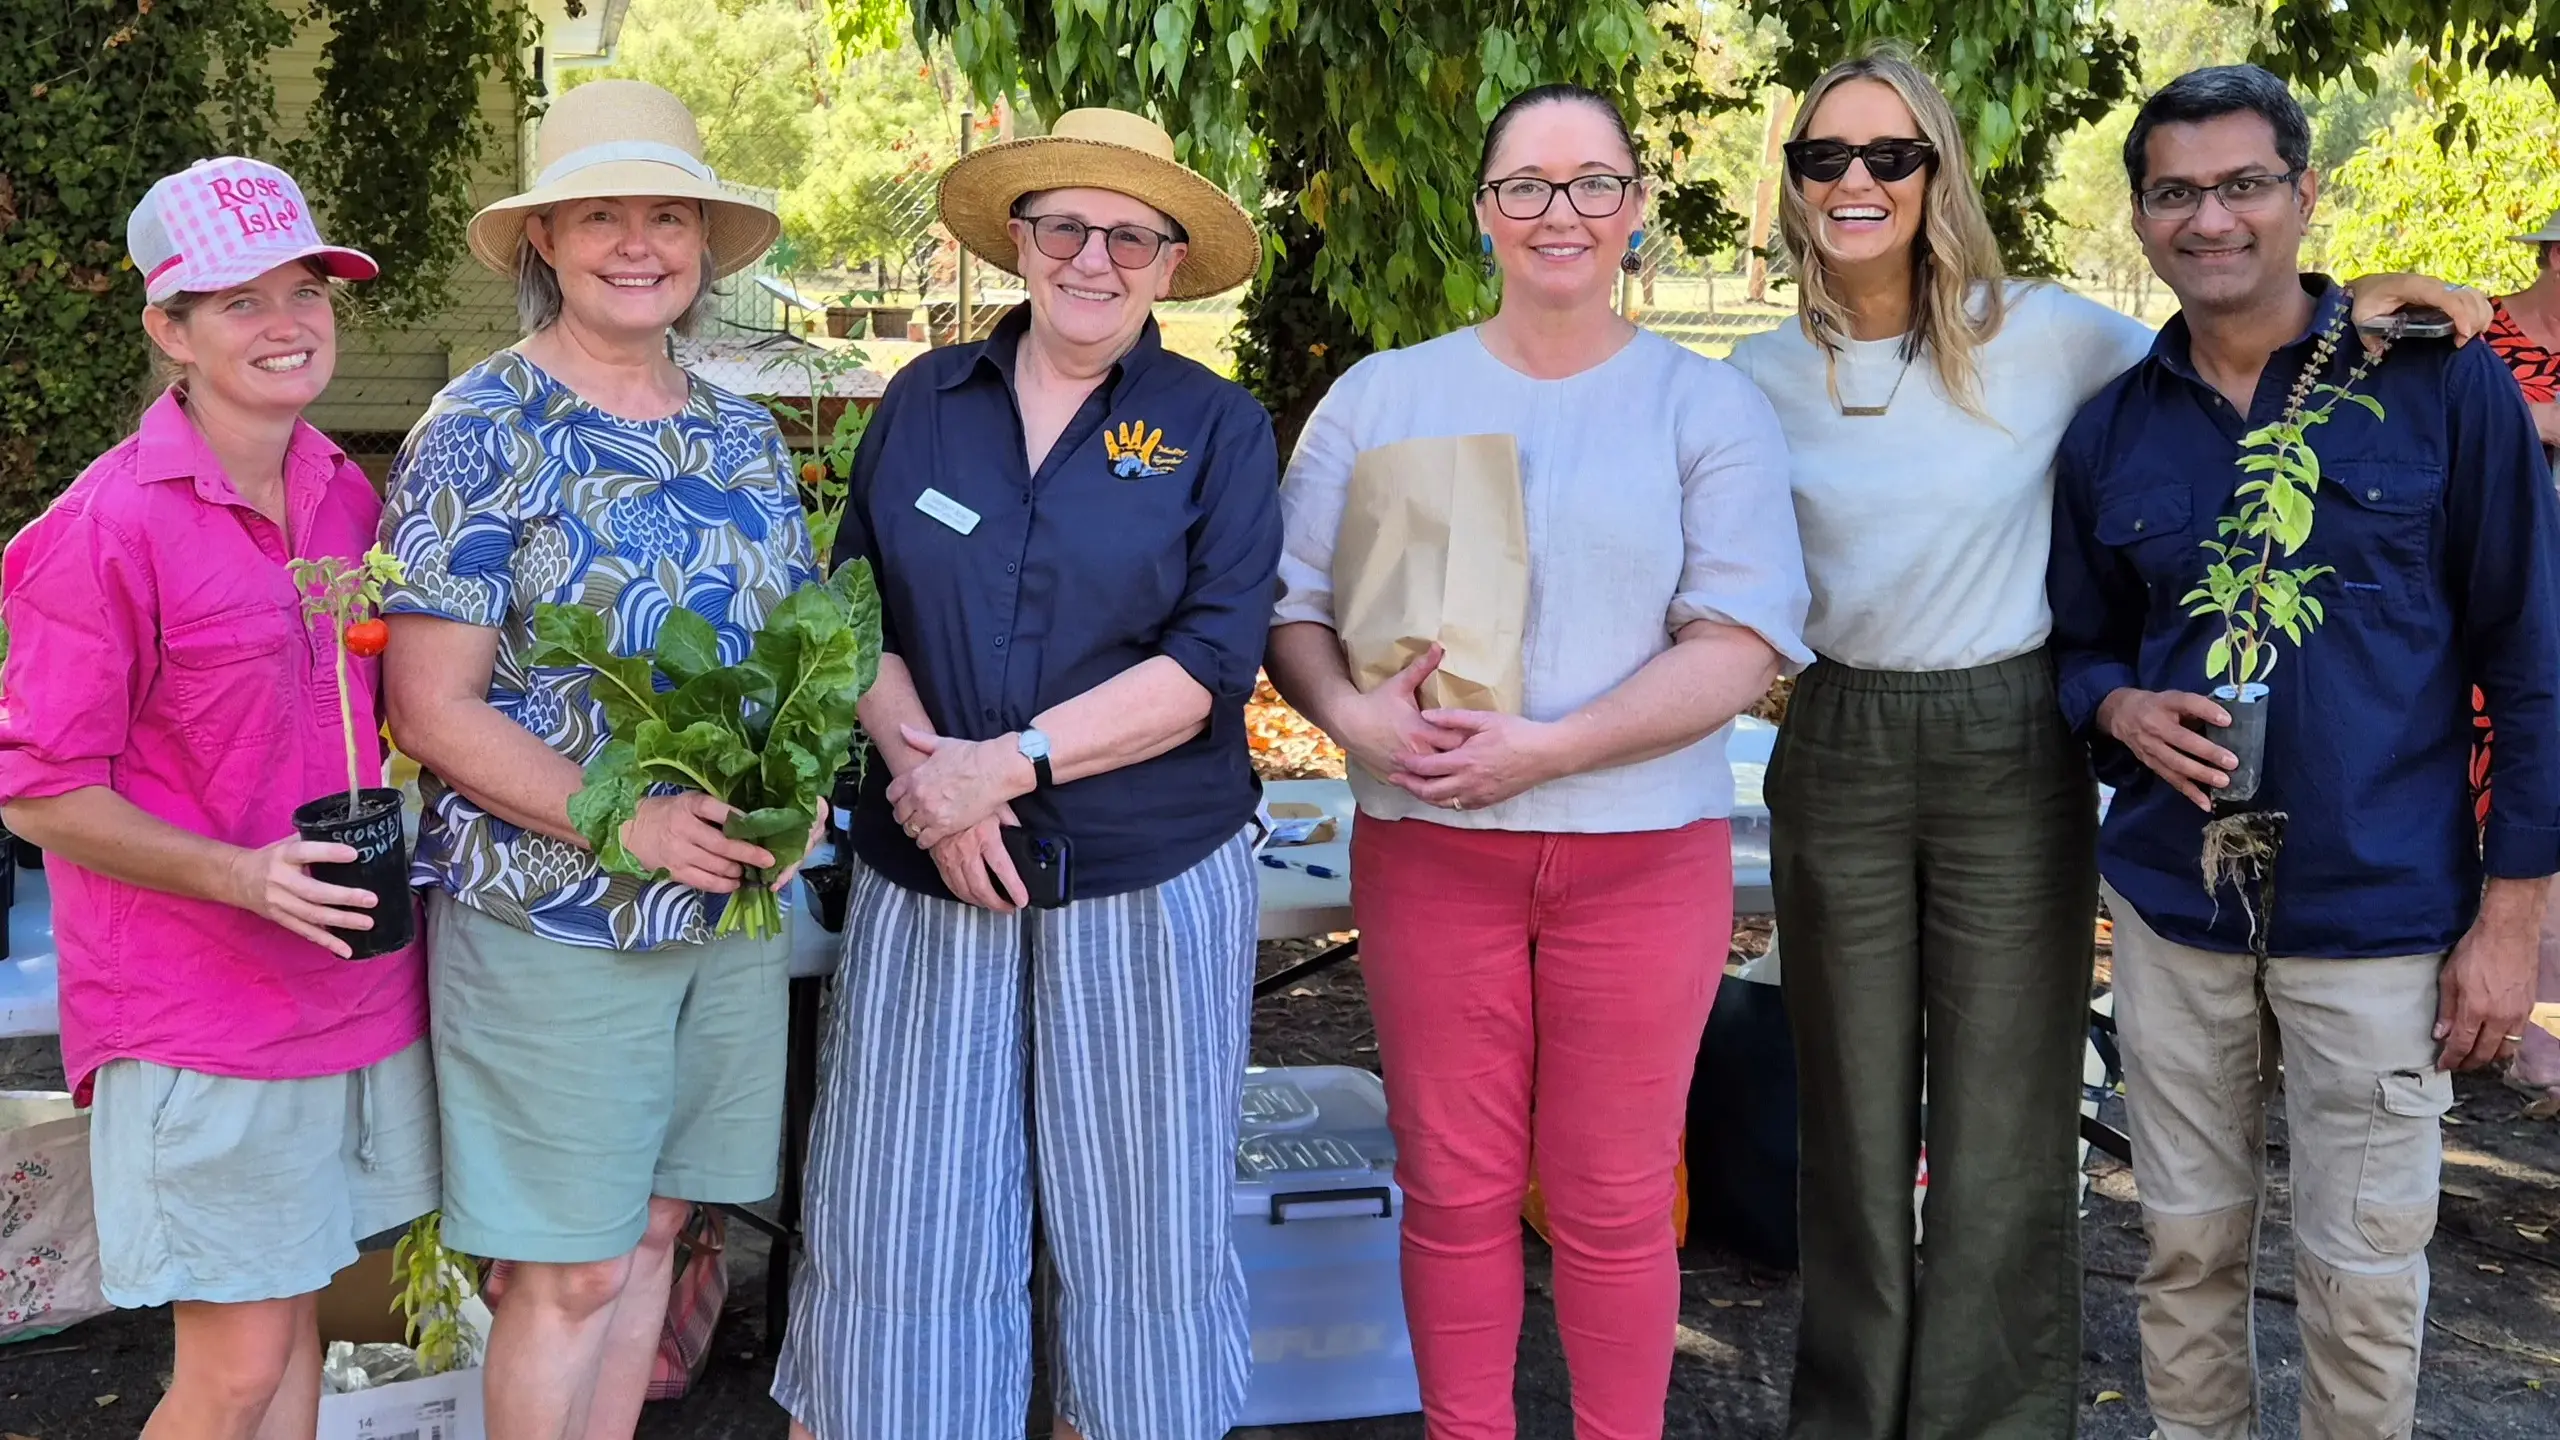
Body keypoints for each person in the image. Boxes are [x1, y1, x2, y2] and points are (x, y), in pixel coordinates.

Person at [1722, 47, 2485, 1440]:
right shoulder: (1753, 371)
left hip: (2012, 733)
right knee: (1844, 1113)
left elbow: (2238, 335)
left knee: (2011, 1126)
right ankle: (1849, 1414)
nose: (1855, 182)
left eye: (1890, 155)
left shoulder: (2055, 334)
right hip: (1840, 734)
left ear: (1939, 170)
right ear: (1792, 184)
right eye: (1823, 157)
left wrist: (2380, 297)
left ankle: (1992, 1421)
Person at [1266, 84, 1811, 1439]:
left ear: (1633, 208)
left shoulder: (1705, 404)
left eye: (1590, 183)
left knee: (1616, 1197)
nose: (1558, 212)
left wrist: (1554, 747)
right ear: (1482, 213)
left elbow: (1744, 642)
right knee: (1451, 1186)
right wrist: (1356, 715)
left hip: (1639, 856)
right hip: (1432, 849)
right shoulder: (1385, 394)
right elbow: (1292, 611)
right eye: (1526, 184)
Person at [2048, 65, 2560, 1440]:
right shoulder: (2111, 427)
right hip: (2176, 908)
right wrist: (2114, 709)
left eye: (2242, 185)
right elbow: (2077, 647)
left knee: (2363, 1274)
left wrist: (2513, 922)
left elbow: (2532, 662)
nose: (2210, 219)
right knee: (2188, 1250)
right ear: (2145, 216)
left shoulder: (2441, 394)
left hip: (2381, 912)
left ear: (2302, 193)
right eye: (2176, 193)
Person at [771, 108, 1278, 1440]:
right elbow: (852, 610)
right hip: (927, 864)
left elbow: (1210, 666)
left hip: (1144, 872)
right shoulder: (924, 404)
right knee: (905, 1205)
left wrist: (1005, 763)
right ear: (1020, 240)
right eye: (1065, 227)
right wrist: (930, 782)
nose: (1093, 259)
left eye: (1130, 236)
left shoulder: (1214, 429)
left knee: (1144, 1213)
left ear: (1169, 264)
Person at [373, 80, 812, 1440]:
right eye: (601, 215)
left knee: (660, 1232)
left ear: (702, 243)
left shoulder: (740, 435)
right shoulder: (479, 427)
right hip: (557, 919)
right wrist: (624, 824)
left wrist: (788, 796)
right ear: (544, 245)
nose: (640, 243)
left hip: (724, 912)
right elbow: (428, 706)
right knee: (563, 1268)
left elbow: (789, 658)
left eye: (667, 214)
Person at [0, 158, 434, 1440]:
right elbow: (38, 791)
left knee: (295, 1323)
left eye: (303, 288)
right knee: (234, 1370)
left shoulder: (341, 492)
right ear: (168, 330)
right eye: (237, 300)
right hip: (203, 1011)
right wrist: (240, 875)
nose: (287, 321)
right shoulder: (102, 528)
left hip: (349, 982)